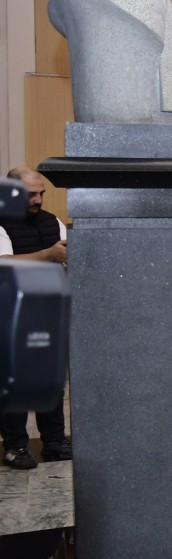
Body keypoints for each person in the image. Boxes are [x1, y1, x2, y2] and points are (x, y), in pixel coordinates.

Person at [1, 167, 72, 470]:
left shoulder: (53, 222)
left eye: (41, 192)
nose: (38, 199)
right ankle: (16, 446)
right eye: (32, 194)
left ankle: (54, 440)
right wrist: (48, 255)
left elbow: (67, 257)